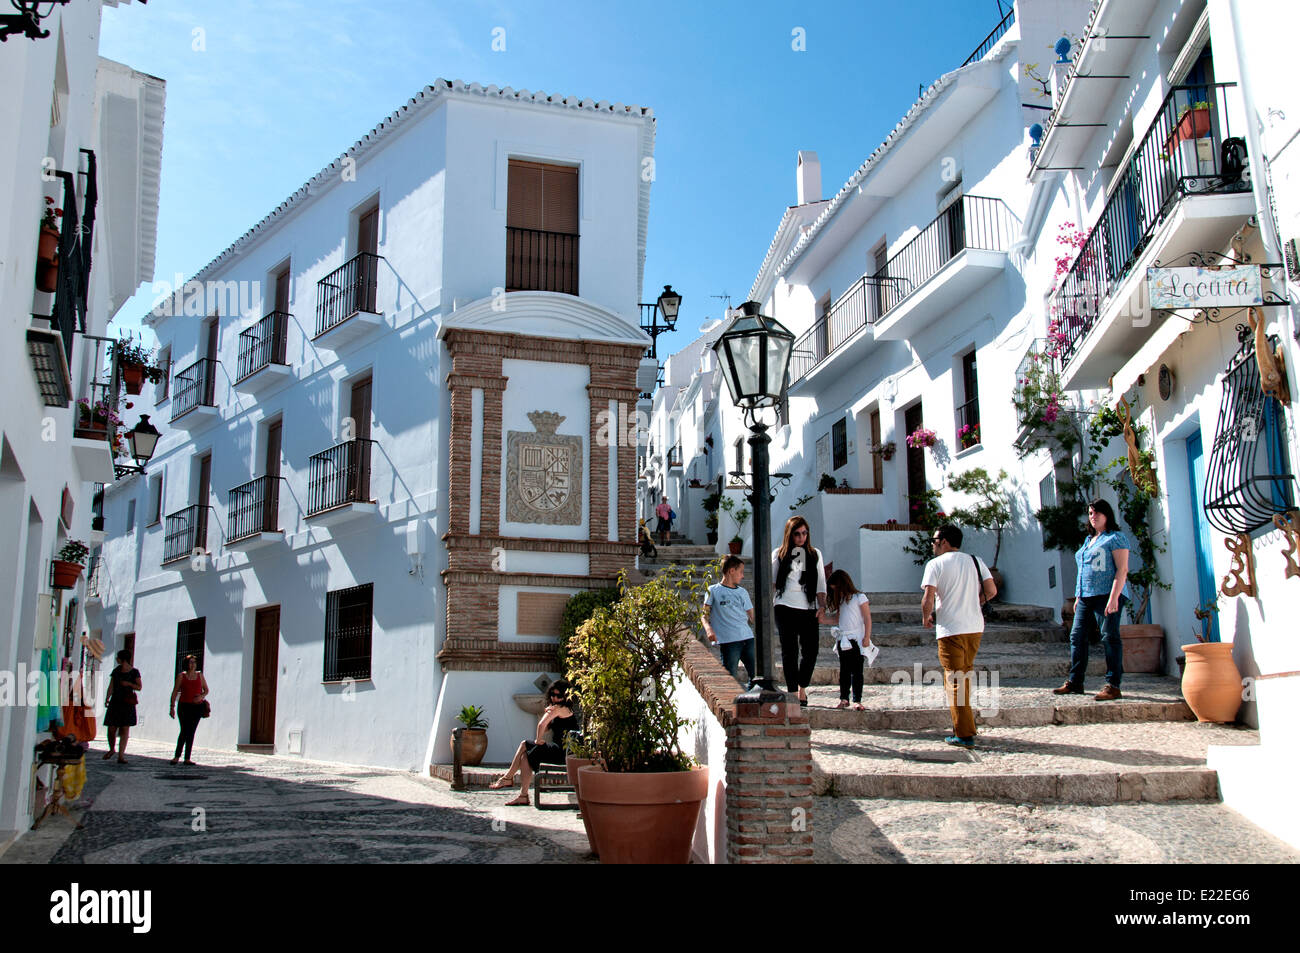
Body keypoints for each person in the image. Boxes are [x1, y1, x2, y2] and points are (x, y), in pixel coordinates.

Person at [921, 524, 996, 748]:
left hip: (950, 629)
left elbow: (928, 597)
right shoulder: (976, 561)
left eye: (934, 541)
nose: (933, 546)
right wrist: (975, 602)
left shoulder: (935, 564)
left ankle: (964, 733)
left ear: (944, 541)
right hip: (974, 627)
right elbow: (991, 591)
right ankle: (965, 727)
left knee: (954, 681)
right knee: (963, 677)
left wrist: (926, 617)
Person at [1055, 499, 1130, 700]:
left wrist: (1114, 597)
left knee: (1109, 636)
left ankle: (1113, 685)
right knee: (1077, 636)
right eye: (1090, 513)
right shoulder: (1089, 541)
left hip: (1108, 595)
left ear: (1107, 515)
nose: (1093, 516)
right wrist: (1079, 595)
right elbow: (1083, 570)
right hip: (1086, 596)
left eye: (1097, 513)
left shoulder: (1116, 538)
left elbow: (1122, 569)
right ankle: (1075, 682)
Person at [489, 679, 579, 806]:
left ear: (565, 696)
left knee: (524, 744)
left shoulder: (558, 708)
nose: (554, 698)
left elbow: (541, 725)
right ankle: (523, 795)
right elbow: (547, 728)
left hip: (562, 752)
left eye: (558, 696)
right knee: (526, 756)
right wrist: (548, 714)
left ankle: (507, 778)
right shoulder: (563, 709)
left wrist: (538, 740)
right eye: (552, 694)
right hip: (563, 751)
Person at [771, 516, 827, 707]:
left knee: (811, 651)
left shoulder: (815, 554)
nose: (801, 537)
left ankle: (803, 686)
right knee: (790, 651)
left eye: (804, 533)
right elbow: (772, 582)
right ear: (790, 534)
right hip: (784, 605)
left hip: (808, 606)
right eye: (797, 534)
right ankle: (794, 692)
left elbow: (821, 584)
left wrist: (822, 606)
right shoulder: (779, 554)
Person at [818, 569, 873, 711]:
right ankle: (844, 698)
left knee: (857, 671)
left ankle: (857, 700)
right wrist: (824, 620)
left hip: (856, 639)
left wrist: (867, 637)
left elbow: (867, 618)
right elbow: (838, 619)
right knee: (844, 671)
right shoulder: (842, 602)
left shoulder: (859, 597)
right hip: (843, 639)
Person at [703, 555, 756, 684]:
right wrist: (709, 630)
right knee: (730, 677)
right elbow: (704, 615)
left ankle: (751, 700)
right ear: (731, 571)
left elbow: (752, 615)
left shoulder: (742, 592)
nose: (742, 576)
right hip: (729, 641)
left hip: (747, 638)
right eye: (741, 572)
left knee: (755, 675)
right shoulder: (713, 591)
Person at [102, 650, 142, 764]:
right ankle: (112, 748)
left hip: (127, 703)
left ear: (122, 659)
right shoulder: (116, 671)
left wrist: (129, 684)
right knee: (111, 728)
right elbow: (111, 685)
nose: (116, 659)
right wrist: (107, 697)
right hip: (115, 701)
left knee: (125, 729)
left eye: (118, 657)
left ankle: (121, 755)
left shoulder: (135, 672)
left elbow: (139, 687)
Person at [169, 654, 209, 765]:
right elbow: (175, 691)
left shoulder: (199, 675)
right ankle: (177, 756)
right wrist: (172, 706)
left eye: (194, 662)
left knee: (191, 731)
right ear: (186, 664)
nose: (192, 664)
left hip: (197, 707)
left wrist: (201, 696)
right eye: (190, 662)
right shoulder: (181, 676)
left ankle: (187, 758)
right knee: (184, 730)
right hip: (184, 706)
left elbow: (206, 690)